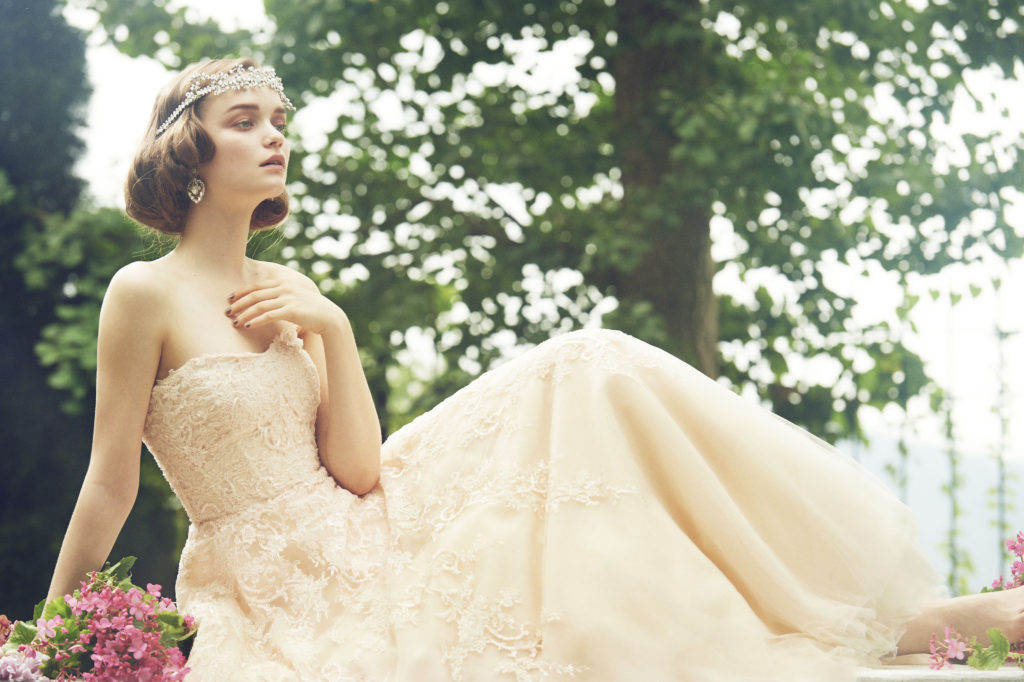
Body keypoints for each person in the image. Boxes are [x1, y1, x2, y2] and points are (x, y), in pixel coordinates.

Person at [45, 57, 1024, 681]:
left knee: (589, 367)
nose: (274, 136)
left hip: (365, 517)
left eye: (279, 120)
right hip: (268, 586)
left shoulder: (293, 289)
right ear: (189, 152)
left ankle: (893, 617)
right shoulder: (142, 293)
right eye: (245, 119)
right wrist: (46, 639)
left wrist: (334, 329)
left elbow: (357, 470)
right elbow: (109, 480)